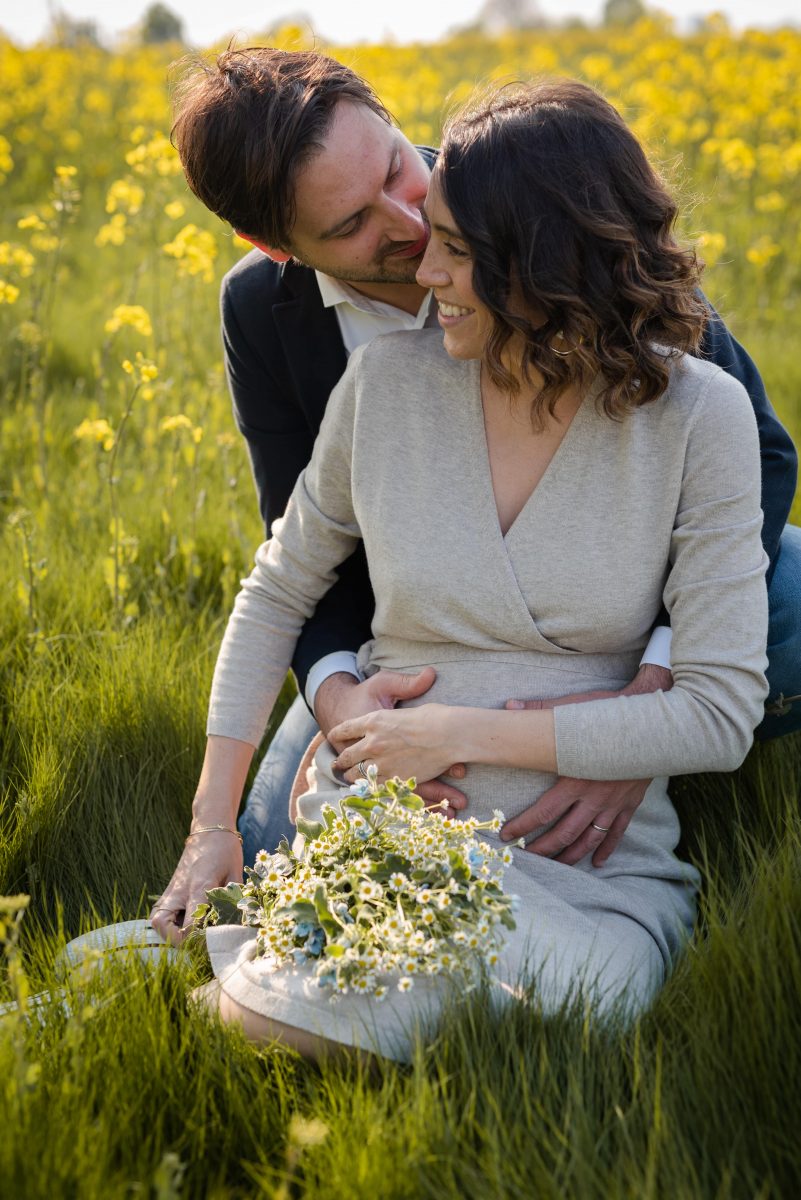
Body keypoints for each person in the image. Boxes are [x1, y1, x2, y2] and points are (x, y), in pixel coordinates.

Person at [158, 78, 769, 1060]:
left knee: (553, 1004)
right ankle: (266, 974)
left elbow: (717, 709)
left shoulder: (695, 409)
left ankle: (250, 983)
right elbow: (283, 584)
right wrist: (306, 737)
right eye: (361, 225)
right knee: (348, 928)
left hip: (592, 870)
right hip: (392, 821)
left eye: (437, 220)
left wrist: (541, 731)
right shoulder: (383, 378)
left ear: (542, 256)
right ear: (285, 248)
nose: (417, 255)